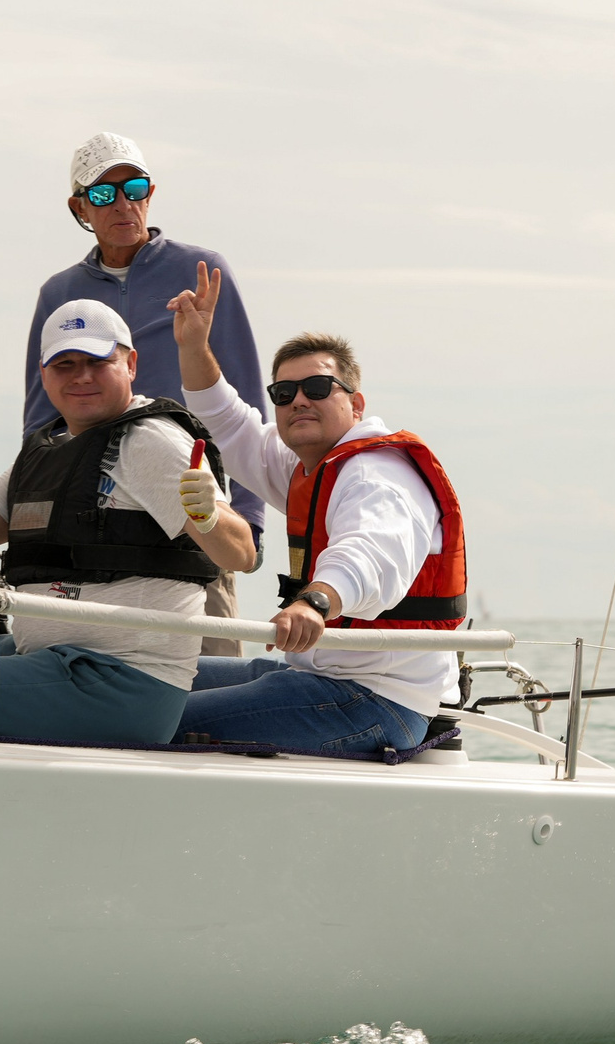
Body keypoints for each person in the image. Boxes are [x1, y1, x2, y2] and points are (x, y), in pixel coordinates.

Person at [0, 299, 255, 746]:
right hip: (55, 662)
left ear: (131, 363)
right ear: (44, 373)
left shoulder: (150, 441)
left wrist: (209, 517)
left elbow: (241, 554)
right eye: (65, 364)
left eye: (97, 361)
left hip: (121, 684)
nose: (81, 376)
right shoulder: (46, 452)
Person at [167, 263, 468, 756]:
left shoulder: (377, 476)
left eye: (318, 388)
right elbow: (226, 420)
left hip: (375, 699)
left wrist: (316, 602)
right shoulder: (306, 465)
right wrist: (193, 347)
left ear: (355, 403)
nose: (299, 401)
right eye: (284, 394)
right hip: (317, 673)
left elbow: (371, 553)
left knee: (144, 716)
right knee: (144, 676)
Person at [26, 131, 268, 648]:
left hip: (196, 515)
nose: (122, 203)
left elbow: (244, 402)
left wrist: (248, 523)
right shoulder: (58, 294)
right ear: (79, 207)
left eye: (133, 187)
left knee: (209, 687)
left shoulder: (203, 272)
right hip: (95, 532)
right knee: (89, 674)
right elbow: (40, 420)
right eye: (101, 194)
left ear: (150, 194)